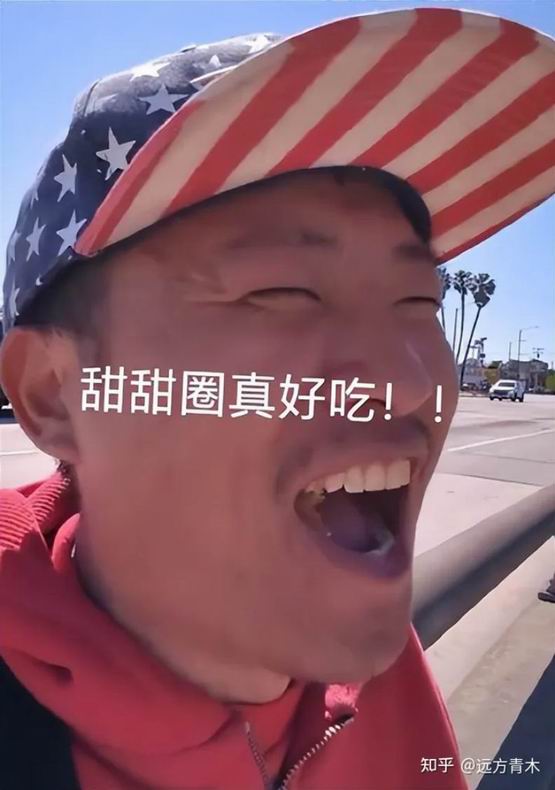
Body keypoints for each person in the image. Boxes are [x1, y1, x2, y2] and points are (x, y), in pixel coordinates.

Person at [1, 8, 554, 790]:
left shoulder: (365, 649)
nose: (406, 383)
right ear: (55, 393)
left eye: (418, 302)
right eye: (283, 293)